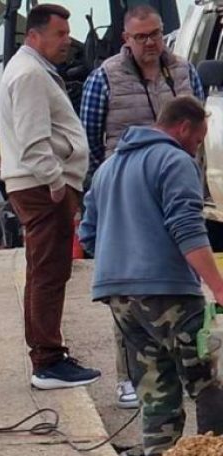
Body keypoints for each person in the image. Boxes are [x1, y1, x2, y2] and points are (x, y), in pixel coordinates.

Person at [79, 96, 223, 456]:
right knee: (208, 384)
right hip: (169, 293)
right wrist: (219, 288)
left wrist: (124, 261)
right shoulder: (176, 160)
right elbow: (187, 229)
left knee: (157, 391)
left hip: (119, 296)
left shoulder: (108, 169)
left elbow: (89, 234)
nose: (196, 148)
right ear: (183, 128)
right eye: (197, 139)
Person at [80, 3, 205, 410]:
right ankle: (129, 377)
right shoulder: (104, 79)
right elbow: (91, 141)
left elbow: (199, 119)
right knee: (134, 285)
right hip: (126, 186)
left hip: (175, 178)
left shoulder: (185, 71)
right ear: (125, 40)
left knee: (171, 275)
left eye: (155, 34)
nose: (151, 43)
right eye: (141, 37)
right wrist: (108, 190)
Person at [0, 3, 99, 390]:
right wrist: (57, 181)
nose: (67, 41)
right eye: (60, 34)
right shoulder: (29, 75)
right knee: (49, 272)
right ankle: (47, 361)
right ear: (35, 35)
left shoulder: (30, 70)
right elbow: (32, 140)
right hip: (41, 187)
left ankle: (48, 355)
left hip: (38, 184)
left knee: (47, 271)